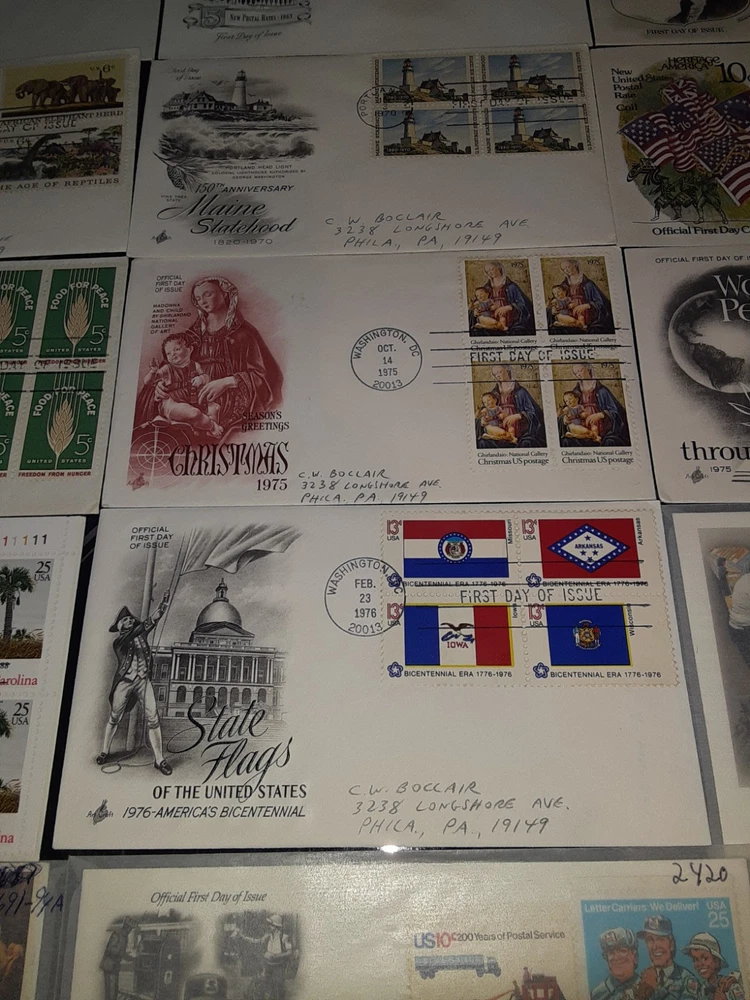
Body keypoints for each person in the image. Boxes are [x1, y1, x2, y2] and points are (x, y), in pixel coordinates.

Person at [135, 276, 282, 439]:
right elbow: (171, 366)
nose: (202, 301)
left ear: (225, 293)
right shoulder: (192, 335)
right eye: (198, 298)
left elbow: (265, 375)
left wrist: (227, 382)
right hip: (190, 392)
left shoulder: (244, 333)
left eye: (208, 294)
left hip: (227, 397)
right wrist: (160, 386)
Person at [96, 594, 173, 776]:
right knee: (115, 716)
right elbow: (140, 629)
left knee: (153, 718)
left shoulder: (141, 633)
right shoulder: (118, 642)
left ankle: (159, 759)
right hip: (125, 682)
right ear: (120, 625)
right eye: (126, 620)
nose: (130, 621)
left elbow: (151, 622)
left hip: (143, 681)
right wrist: (146, 624)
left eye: (131, 618)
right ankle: (104, 751)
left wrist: (163, 604)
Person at [140, 331, 223, 439]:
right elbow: (148, 382)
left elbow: (206, 377)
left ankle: (204, 429)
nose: (172, 354)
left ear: (190, 349)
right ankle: (212, 427)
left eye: (177, 349)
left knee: (215, 408)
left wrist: (201, 378)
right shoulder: (167, 368)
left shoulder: (195, 365)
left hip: (193, 399)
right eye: (168, 353)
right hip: (173, 403)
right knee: (194, 413)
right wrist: (153, 371)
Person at [558, 363, 630, 447]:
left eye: (580, 370)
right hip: (581, 428)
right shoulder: (575, 392)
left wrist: (601, 414)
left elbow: (617, 412)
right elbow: (565, 411)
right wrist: (565, 418)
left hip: (603, 430)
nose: (578, 374)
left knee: (611, 442)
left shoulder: (602, 391)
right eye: (576, 373)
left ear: (588, 369)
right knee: (567, 441)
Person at [475, 364, 546, 449]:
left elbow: (536, 412)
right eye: (495, 374)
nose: (498, 375)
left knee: (527, 443)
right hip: (498, 427)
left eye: (500, 372)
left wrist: (518, 416)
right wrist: (482, 420)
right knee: (483, 443)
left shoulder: (521, 392)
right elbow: (485, 410)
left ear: (507, 371)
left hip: (519, 429)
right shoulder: (494, 393)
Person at [233, 914, 295, 1000]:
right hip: (268, 966)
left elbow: (289, 952)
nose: (269, 926)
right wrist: (242, 937)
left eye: (271, 925)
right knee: (264, 987)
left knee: (278, 989)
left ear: (276, 926)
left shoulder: (284, 938)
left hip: (279, 967)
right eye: (269, 924)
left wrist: (276, 956)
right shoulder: (267, 936)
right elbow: (256, 941)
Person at [637, 915, 701, 999]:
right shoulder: (641, 979)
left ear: (671, 944)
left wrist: (653, 991)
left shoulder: (687, 979)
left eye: (660, 939)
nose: (655, 946)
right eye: (650, 940)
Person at [547, 258, 614, 334]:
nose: (566, 270)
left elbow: (602, 303)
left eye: (568, 267)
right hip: (568, 314)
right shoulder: (563, 286)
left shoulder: (588, 284)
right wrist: (553, 309)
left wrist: (587, 305)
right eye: (564, 269)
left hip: (586, 316)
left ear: (575, 265)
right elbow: (555, 301)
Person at [471, 262, 534, 335]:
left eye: (492, 269)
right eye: (488, 271)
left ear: (499, 268)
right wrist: (475, 311)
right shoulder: (486, 288)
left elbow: (524, 304)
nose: (490, 272)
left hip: (511, 321)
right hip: (491, 317)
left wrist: (509, 307)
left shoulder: (511, 286)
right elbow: (477, 303)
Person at [591, 927, 653, 1000]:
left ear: (635, 956)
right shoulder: (597, 994)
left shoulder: (650, 987)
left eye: (622, 951)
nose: (616, 957)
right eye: (611, 952)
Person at [682, 932, 745, 1000]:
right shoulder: (701, 990)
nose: (699, 964)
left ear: (716, 961)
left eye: (705, 958)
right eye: (695, 960)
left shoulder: (729, 985)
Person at [99, 917, 135, 1000]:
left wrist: (131, 958)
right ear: (126, 927)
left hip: (115, 967)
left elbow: (123, 953)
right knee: (111, 992)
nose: (130, 931)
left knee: (114, 990)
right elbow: (110, 948)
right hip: (109, 966)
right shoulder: (116, 934)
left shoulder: (125, 937)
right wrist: (120, 952)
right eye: (130, 929)